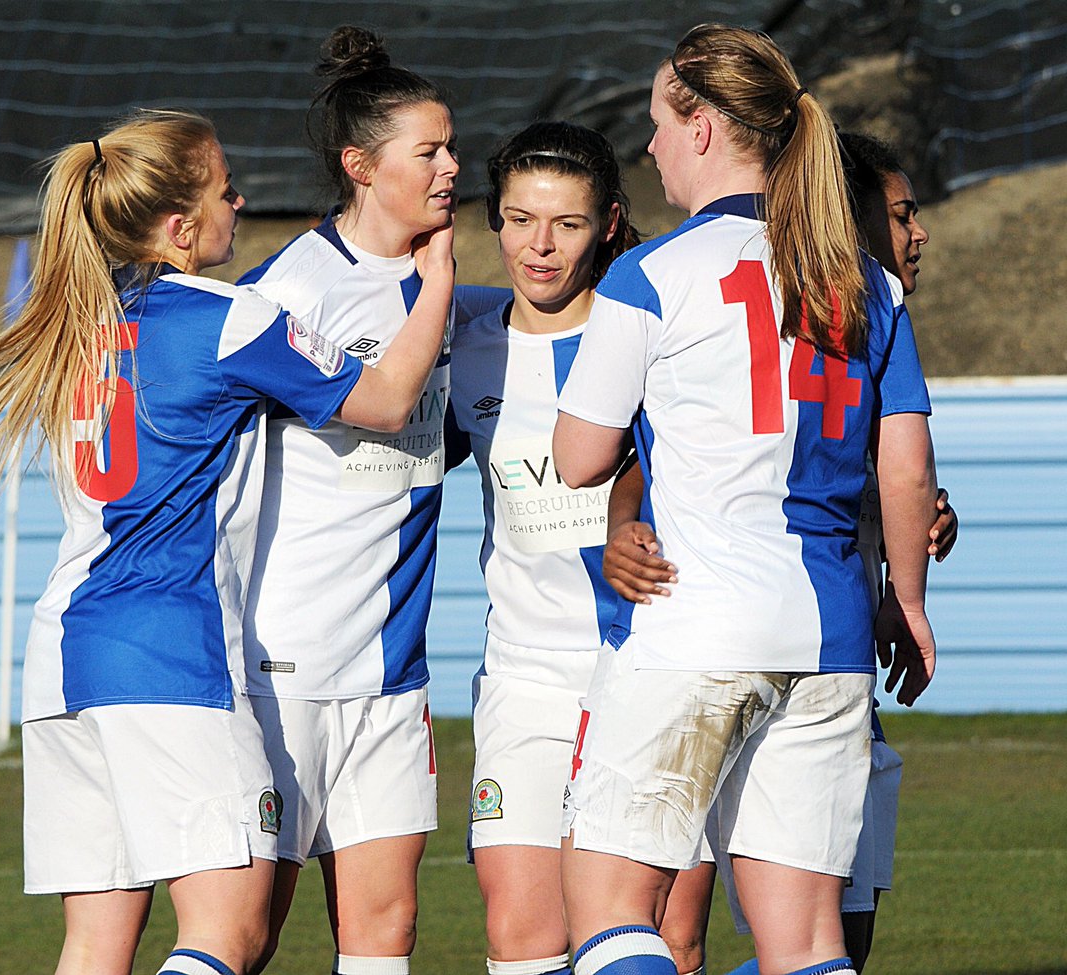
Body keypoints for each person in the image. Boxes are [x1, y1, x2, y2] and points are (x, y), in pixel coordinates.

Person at [0, 108, 453, 975]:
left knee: (95, 944)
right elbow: (391, 400)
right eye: (223, 190)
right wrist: (435, 279)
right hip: (168, 654)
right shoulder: (230, 318)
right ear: (179, 227)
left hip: (62, 653)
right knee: (228, 933)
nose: (240, 202)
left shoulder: (80, 327)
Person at [552, 23, 938, 975]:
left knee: (609, 915)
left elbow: (578, 457)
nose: (647, 147)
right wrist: (913, 604)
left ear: (704, 128)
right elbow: (905, 467)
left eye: (656, 123)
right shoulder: (870, 284)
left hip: (693, 623)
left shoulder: (652, 274)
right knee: (806, 942)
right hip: (830, 635)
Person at [234, 26, 471, 975]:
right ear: (359, 166)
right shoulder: (290, 291)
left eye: (452, 145)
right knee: (243, 933)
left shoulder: (459, 289)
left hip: (392, 670)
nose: (454, 166)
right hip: (283, 663)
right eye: (429, 151)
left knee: (385, 934)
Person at [446, 120, 653, 975]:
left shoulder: (646, 326)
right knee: (521, 939)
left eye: (566, 224)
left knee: (662, 940)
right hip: (523, 678)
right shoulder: (460, 342)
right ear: (493, 219)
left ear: (606, 223)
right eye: (520, 218)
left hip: (646, 670)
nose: (539, 245)